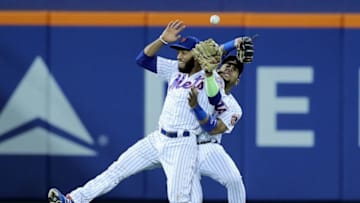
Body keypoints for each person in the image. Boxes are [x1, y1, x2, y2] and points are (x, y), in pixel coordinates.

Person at [48, 19, 230, 203]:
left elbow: (215, 99)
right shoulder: (176, 70)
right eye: (178, 52)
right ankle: (74, 199)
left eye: (184, 53)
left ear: (198, 56)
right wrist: (162, 40)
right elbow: (143, 59)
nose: (179, 56)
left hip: (183, 145)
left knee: (180, 199)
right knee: (117, 170)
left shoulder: (212, 79)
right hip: (158, 138)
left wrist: (208, 73)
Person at [188, 50, 247, 203]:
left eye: (235, 69)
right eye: (227, 65)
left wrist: (197, 108)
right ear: (218, 68)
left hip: (208, 147)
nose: (230, 69)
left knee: (234, 180)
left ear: (237, 80)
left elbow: (214, 129)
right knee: (191, 198)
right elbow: (205, 55)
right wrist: (234, 44)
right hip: (183, 145)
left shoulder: (234, 107)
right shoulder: (203, 79)